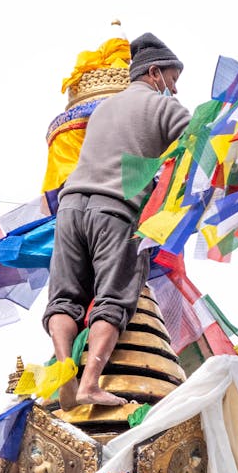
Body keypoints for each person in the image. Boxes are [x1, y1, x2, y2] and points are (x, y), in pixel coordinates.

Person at [43, 32, 192, 409]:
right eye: (172, 81)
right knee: (114, 298)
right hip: (116, 210)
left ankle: (66, 370)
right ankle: (90, 382)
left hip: (71, 209)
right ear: (154, 72)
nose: (173, 90)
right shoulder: (162, 108)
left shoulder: (104, 110)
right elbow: (205, 147)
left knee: (64, 297)